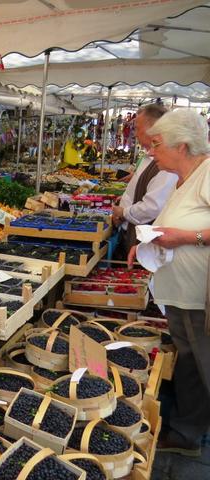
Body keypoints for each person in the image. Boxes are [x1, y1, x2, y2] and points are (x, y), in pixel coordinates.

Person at [128, 108, 210, 457]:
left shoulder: (208, 173)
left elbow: (191, 231)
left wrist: (186, 236)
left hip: (200, 299)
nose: (150, 150)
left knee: (202, 363)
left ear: (183, 145)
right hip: (179, 295)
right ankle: (186, 431)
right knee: (190, 362)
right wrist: (146, 243)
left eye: (157, 144)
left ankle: (190, 432)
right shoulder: (182, 179)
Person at [112, 104, 178, 259]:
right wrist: (125, 201)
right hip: (131, 234)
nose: (134, 134)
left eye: (137, 128)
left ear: (152, 128)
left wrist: (124, 212)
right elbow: (143, 190)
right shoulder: (149, 157)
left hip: (143, 241)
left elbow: (152, 207)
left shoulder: (166, 164)